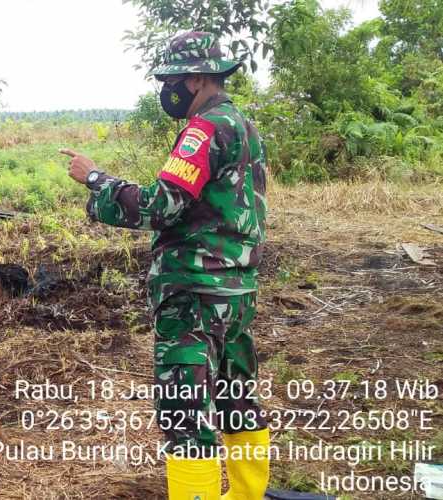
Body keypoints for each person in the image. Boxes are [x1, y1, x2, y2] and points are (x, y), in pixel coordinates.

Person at [60, 32, 270, 500]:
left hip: (195, 291)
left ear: (196, 78)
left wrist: (96, 181)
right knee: (238, 401)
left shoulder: (204, 130)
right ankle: (247, 494)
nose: (166, 90)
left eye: (171, 80)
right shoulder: (243, 126)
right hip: (237, 290)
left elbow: (160, 206)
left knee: (185, 413)